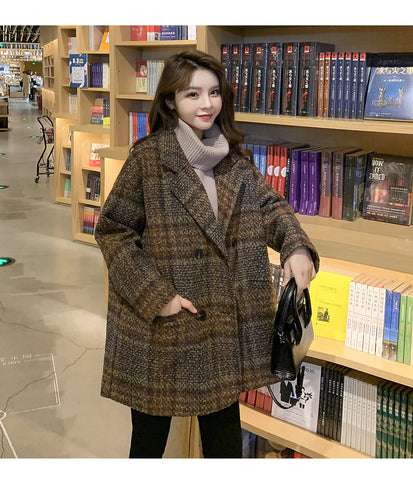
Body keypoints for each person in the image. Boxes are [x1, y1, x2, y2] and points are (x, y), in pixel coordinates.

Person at [94, 50, 319, 459]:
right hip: (163, 325)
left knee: (224, 444)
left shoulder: (234, 158)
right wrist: (157, 297)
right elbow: (113, 232)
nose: (206, 104)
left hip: (221, 327)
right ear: (170, 101)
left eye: (214, 92)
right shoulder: (148, 158)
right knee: (148, 443)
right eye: (192, 94)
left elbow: (270, 206)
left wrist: (296, 245)